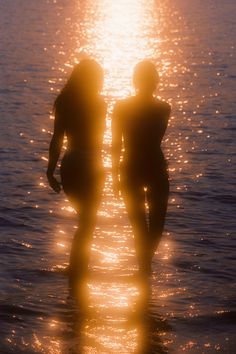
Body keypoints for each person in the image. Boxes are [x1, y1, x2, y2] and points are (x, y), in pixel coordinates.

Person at [46, 59, 106, 293]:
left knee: (85, 221)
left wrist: (50, 170)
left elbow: (57, 139)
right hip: (91, 162)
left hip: (70, 163)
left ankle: (76, 277)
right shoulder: (98, 104)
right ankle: (77, 276)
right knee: (88, 223)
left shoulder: (64, 102)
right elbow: (98, 141)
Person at [112, 60, 171, 279]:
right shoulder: (164, 108)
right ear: (155, 81)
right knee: (156, 222)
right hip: (155, 165)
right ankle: (145, 267)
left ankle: (143, 268)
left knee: (139, 223)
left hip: (131, 166)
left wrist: (115, 175)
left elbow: (116, 145)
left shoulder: (122, 107)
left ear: (135, 80)